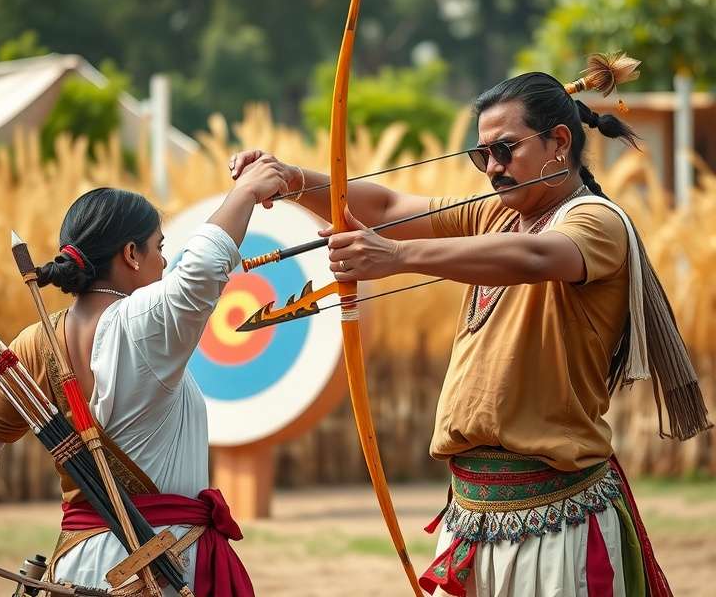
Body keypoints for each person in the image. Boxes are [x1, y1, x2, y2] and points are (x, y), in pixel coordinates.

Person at [229, 71, 710, 596]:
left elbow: (534, 257)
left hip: (557, 521)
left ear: (560, 142)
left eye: (505, 149)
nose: (494, 169)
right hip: (472, 510)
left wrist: (397, 257)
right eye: (483, 156)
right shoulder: (496, 215)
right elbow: (388, 210)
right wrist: (292, 179)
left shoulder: (595, 220)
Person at [0, 157, 289, 595]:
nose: (164, 262)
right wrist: (245, 192)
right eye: (158, 248)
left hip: (76, 568)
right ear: (130, 254)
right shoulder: (142, 323)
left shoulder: (34, 342)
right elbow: (199, 272)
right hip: (161, 567)